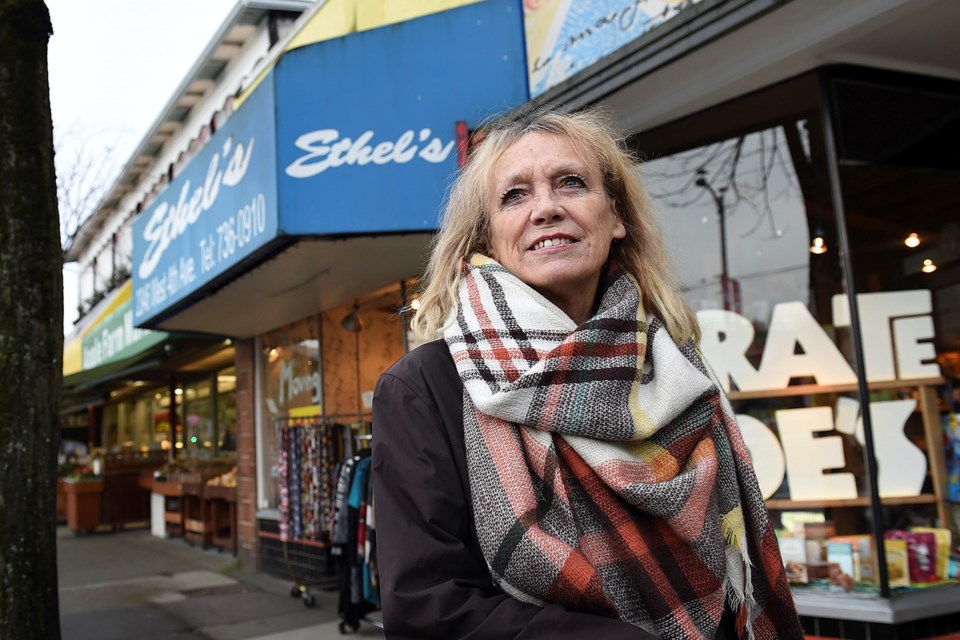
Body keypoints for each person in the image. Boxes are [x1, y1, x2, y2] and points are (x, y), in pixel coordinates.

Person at [371, 106, 803, 639]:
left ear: (616, 217)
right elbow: (430, 611)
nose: (546, 208)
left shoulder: (673, 365)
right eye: (515, 195)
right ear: (486, 239)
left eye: (571, 183)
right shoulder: (425, 388)